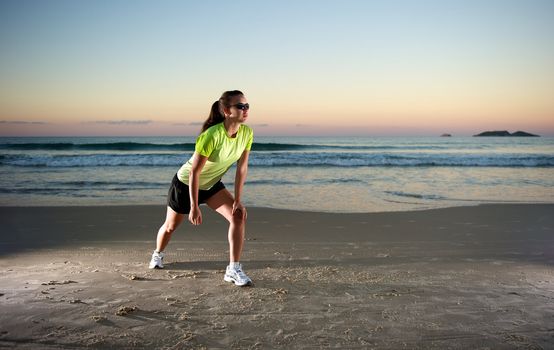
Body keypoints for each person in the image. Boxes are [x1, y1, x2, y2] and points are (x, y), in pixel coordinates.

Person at [149, 90, 253, 287]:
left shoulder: (247, 133)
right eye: (240, 106)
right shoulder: (211, 135)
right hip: (186, 185)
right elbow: (194, 172)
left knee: (238, 216)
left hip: (212, 185)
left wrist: (238, 199)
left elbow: (242, 168)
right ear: (226, 111)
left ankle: (233, 269)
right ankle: (158, 254)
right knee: (170, 226)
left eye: (247, 106)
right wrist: (194, 206)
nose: (245, 110)